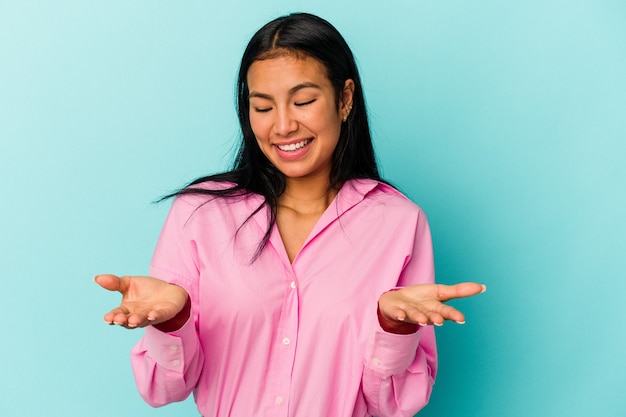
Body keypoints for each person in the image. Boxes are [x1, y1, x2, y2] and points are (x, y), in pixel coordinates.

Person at [95, 12, 485, 417]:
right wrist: (171, 322)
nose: (282, 125)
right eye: (262, 107)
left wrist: (396, 328)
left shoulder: (398, 222)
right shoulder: (200, 214)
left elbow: (395, 403)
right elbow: (162, 389)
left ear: (345, 98)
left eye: (303, 102)